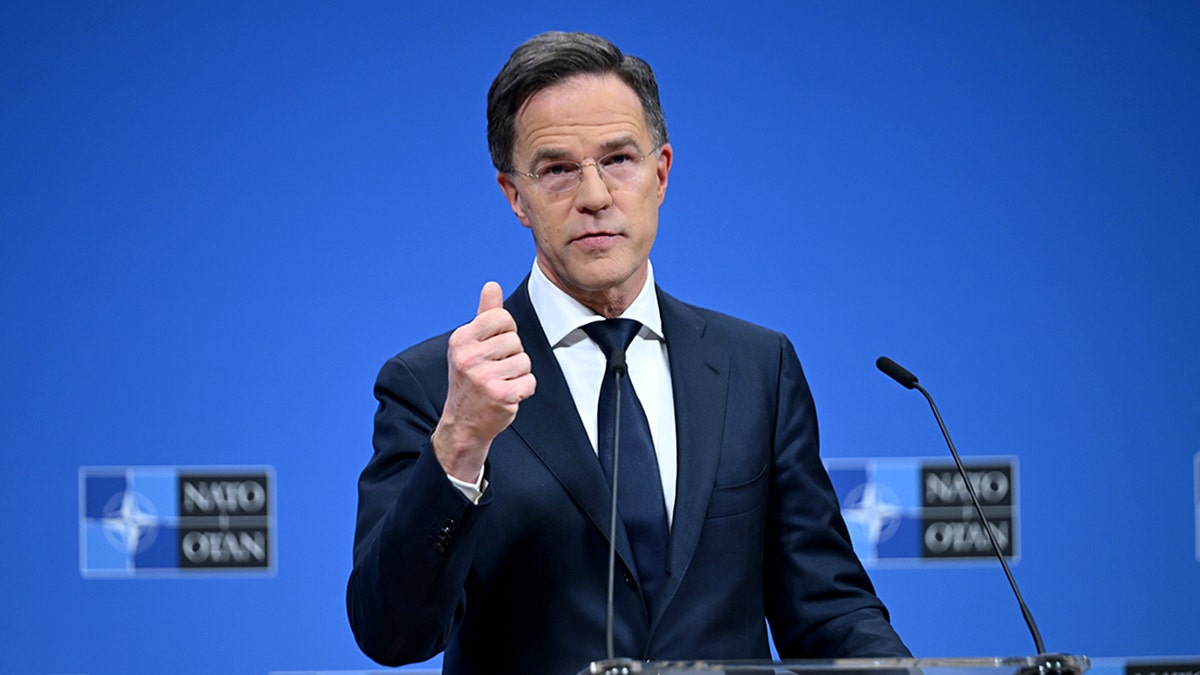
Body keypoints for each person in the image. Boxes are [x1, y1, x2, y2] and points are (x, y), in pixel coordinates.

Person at [347, 31, 910, 675]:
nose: (593, 195)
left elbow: (828, 610)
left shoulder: (757, 366)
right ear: (515, 196)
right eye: (557, 169)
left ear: (661, 172)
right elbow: (390, 634)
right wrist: (458, 446)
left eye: (618, 159)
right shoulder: (435, 387)